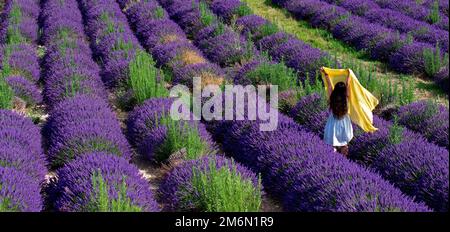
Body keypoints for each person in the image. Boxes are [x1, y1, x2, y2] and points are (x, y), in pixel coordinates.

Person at [321, 67, 353, 156]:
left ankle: (332, 160)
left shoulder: (332, 97)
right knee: (344, 144)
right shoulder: (346, 98)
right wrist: (349, 74)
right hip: (344, 122)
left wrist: (326, 74)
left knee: (332, 144)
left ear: (335, 90)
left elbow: (329, 85)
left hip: (333, 123)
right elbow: (347, 84)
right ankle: (343, 160)